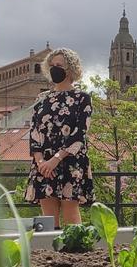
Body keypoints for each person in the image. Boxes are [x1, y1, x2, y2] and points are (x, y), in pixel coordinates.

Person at [25, 48, 94, 226]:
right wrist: (41, 163)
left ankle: (76, 251)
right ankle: (50, 252)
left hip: (70, 162)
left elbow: (80, 133)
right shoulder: (41, 99)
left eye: (59, 65)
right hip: (44, 165)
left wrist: (56, 159)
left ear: (70, 69)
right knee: (48, 220)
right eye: (52, 65)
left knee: (71, 214)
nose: (55, 68)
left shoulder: (82, 98)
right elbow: (34, 132)